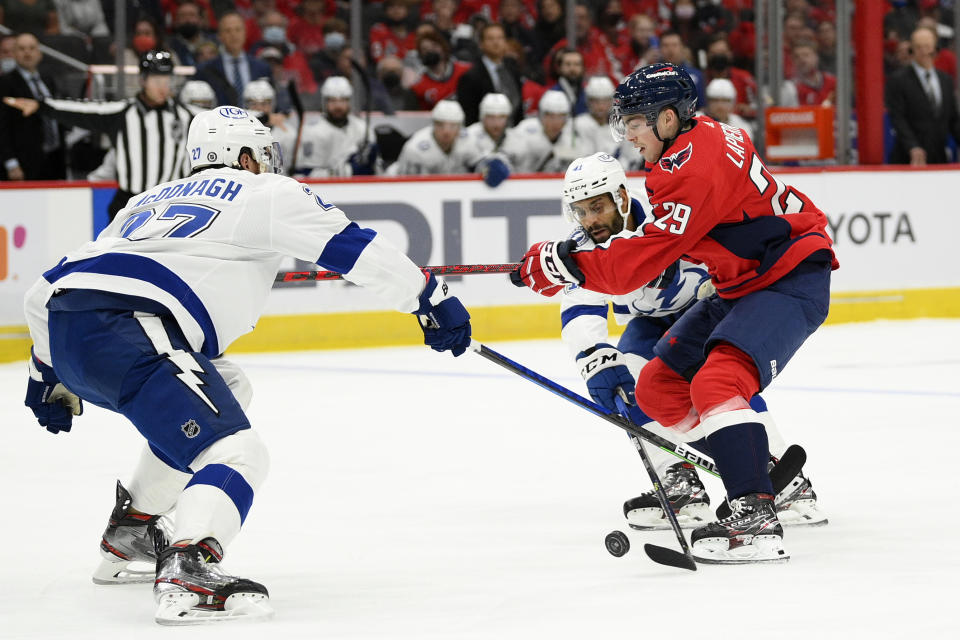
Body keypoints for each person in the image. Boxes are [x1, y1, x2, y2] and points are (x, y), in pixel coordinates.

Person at [21, 106, 473, 624]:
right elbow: (353, 248)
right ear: (242, 156)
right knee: (239, 453)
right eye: (262, 153)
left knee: (228, 386)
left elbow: (43, 290)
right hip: (132, 328)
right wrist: (429, 298)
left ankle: (133, 531)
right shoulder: (265, 192)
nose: (268, 163)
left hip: (70, 324)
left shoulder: (144, 202)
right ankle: (189, 565)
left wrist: (47, 374)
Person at [510, 63, 837, 564]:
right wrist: (576, 285)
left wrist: (564, 265)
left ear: (667, 119)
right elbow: (607, 282)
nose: (629, 134)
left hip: (788, 277)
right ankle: (761, 470)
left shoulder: (691, 170)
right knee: (657, 387)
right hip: (743, 282)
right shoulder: (692, 146)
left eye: (635, 122)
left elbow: (632, 265)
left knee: (719, 382)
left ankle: (755, 516)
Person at [557, 152, 825, 530]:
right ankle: (680, 480)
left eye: (596, 207)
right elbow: (579, 305)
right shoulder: (581, 245)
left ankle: (786, 478)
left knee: (722, 384)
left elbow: (728, 247)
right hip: (649, 324)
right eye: (580, 211)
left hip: (708, 309)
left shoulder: (668, 215)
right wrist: (594, 356)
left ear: (620, 196)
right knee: (634, 381)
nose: (589, 221)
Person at [3, 51, 197, 219]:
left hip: (172, 202)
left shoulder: (187, 115)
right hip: (131, 203)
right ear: (143, 80)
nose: (163, 87)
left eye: (167, 80)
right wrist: (41, 106)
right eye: (156, 80)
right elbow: (82, 110)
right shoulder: (122, 113)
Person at [886, 26, 960, 166]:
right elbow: (898, 119)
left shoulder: (946, 81)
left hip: (938, 157)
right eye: (919, 47)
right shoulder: (898, 80)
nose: (924, 52)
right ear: (912, 49)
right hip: (907, 159)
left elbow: (953, 120)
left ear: (935, 48)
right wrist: (912, 146)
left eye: (927, 46)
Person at [390, 99, 509, 186]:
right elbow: (405, 185)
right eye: (441, 125)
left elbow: (482, 163)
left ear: (460, 127)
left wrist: (491, 166)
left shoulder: (468, 140)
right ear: (433, 125)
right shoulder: (415, 149)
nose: (446, 132)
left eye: (452, 126)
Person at [0, 32, 65, 181]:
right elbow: (1, 126)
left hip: (53, 158)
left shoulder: (48, 80)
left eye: (31, 48)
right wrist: (11, 162)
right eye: (22, 49)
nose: (27, 52)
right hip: (24, 161)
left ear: (39, 53)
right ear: (14, 54)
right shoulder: (5, 83)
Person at [292, 76, 374, 177]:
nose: (338, 106)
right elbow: (305, 174)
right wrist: (348, 170)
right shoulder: (312, 132)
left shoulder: (362, 128)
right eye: (332, 100)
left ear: (349, 102)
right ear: (324, 102)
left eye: (343, 100)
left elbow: (374, 169)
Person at [503, 90, 592, 173]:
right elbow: (505, 154)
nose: (555, 122)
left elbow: (587, 161)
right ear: (541, 116)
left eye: (561, 116)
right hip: (523, 186)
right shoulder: (525, 131)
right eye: (550, 116)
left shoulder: (573, 137)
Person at [195, 12, 272, 106]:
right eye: (228, 30)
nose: (233, 34)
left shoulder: (262, 67)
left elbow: (272, 100)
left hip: (255, 119)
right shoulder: (205, 69)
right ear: (219, 36)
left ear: (245, 32)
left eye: (238, 29)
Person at [457, 22, 523, 126]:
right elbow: (469, 116)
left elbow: (519, 106)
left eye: (500, 38)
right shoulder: (471, 77)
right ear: (481, 44)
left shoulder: (513, 69)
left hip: (512, 133)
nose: (496, 43)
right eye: (490, 39)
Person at [409, 30, 471, 111]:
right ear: (420, 55)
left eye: (434, 46)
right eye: (424, 49)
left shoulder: (466, 71)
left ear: (443, 47)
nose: (430, 50)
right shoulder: (418, 85)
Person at [573, 75, 617, 156]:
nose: (601, 106)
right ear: (588, 101)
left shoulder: (619, 127)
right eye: (596, 101)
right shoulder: (578, 124)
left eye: (605, 101)